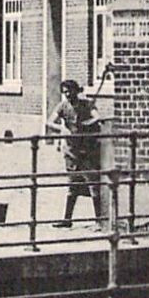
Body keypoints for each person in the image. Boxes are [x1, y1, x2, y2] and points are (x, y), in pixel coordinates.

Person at [47, 79, 104, 228]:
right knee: (72, 184)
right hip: (71, 151)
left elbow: (97, 117)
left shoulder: (86, 104)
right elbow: (49, 122)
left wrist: (87, 124)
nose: (67, 94)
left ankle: (98, 220)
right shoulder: (63, 106)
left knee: (93, 184)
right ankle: (67, 219)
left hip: (87, 150)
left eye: (69, 91)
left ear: (76, 91)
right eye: (64, 92)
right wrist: (62, 129)